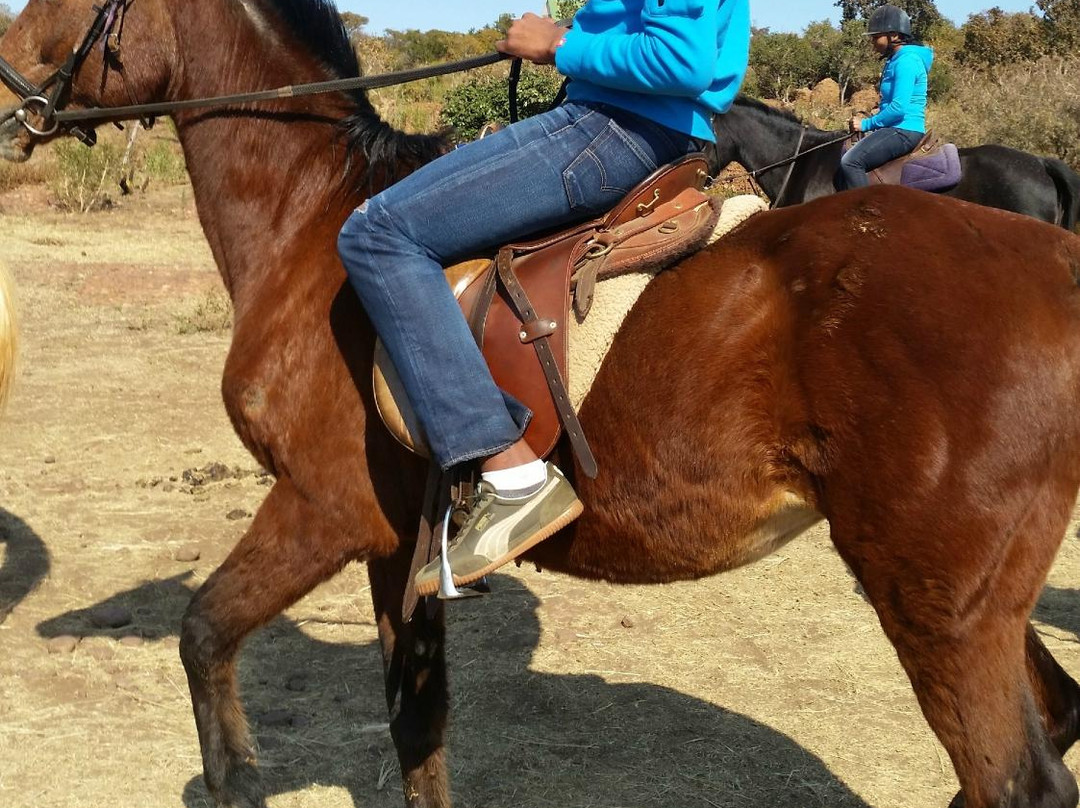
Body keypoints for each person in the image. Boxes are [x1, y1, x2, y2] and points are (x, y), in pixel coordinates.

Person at [337, 1, 751, 597]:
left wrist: (559, 45)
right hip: (644, 126)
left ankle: (509, 473)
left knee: (378, 234)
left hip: (613, 128)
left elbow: (678, 60)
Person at [839, 4, 933, 190]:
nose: (873, 42)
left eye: (876, 37)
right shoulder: (896, 60)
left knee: (850, 162)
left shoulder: (906, 61)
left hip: (903, 130)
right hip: (896, 127)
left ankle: (866, 209)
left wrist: (866, 124)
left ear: (894, 36)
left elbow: (898, 108)